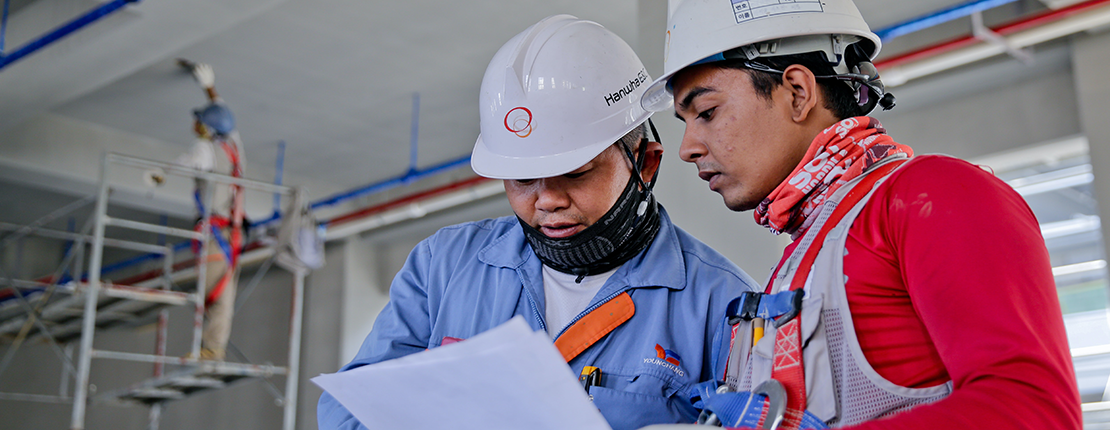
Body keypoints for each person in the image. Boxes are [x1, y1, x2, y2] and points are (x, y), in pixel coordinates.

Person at [637, 1, 1081, 429]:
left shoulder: (933, 195)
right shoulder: (800, 259)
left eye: (707, 113)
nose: (688, 147)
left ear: (797, 91)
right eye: (684, 122)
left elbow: (1035, 412)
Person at [317, 15, 759, 430]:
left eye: (576, 173)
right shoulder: (443, 267)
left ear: (645, 163)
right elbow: (348, 409)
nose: (546, 199)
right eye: (523, 178)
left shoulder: (725, 305)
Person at [174, 60, 247, 361]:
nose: (195, 124)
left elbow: (179, 164)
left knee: (212, 293)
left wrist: (157, 175)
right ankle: (211, 349)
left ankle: (209, 350)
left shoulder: (204, 151)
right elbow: (225, 118)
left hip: (215, 233)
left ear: (206, 128)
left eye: (199, 121)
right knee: (220, 292)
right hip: (229, 231)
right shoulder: (233, 147)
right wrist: (209, 88)